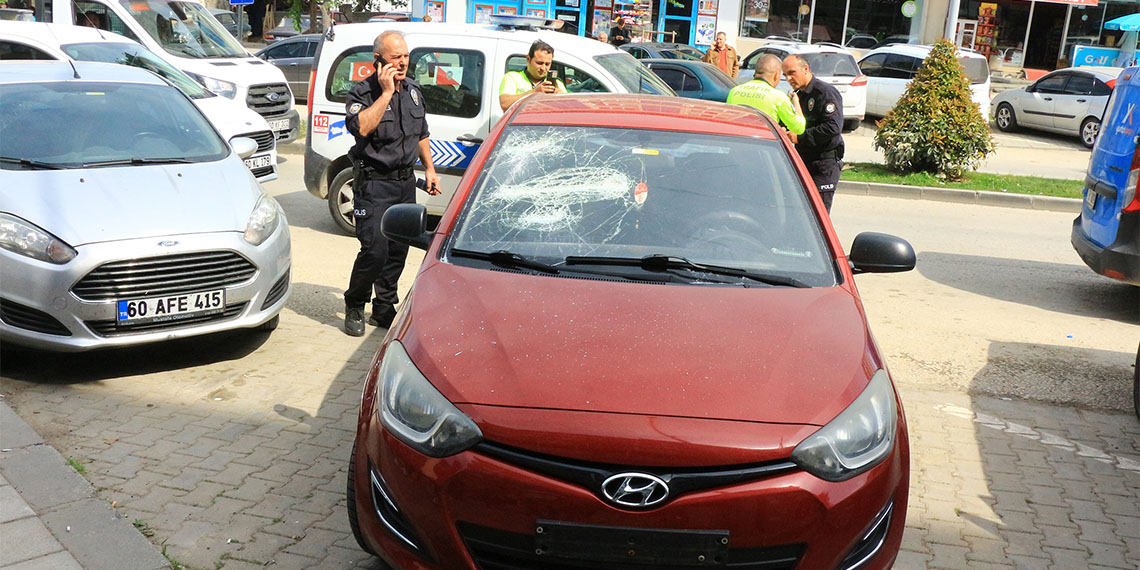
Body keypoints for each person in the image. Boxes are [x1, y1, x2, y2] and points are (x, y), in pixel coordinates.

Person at [342, 30, 441, 336]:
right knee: (375, 251)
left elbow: (420, 133)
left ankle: (383, 308)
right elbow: (362, 128)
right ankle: (355, 303)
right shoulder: (362, 94)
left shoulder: (412, 90)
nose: (402, 63)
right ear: (378, 60)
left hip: (405, 184)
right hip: (373, 185)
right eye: (395, 57)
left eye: (406, 56)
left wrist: (430, 168)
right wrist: (385, 94)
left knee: (398, 251)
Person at [781, 54, 843, 212]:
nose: (788, 78)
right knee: (802, 212)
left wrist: (799, 138)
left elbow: (832, 127)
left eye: (791, 73)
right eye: (785, 75)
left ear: (805, 69)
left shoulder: (825, 93)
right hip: (804, 161)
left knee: (817, 213)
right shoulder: (799, 95)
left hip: (824, 164)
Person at [726, 54, 804, 136]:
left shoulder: (734, 91)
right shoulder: (778, 97)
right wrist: (796, 102)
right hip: (764, 145)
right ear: (777, 75)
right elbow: (799, 128)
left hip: (737, 143)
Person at [498, 40, 566, 111]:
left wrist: (560, 98)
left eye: (547, 64)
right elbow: (504, 104)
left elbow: (568, 110)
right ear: (528, 59)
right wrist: (534, 92)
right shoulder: (513, 78)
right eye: (539, 63)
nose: (543, 68)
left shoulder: (557, 84)